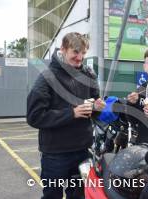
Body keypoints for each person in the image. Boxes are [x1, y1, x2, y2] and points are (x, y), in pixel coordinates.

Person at [26, 32, 106, 199]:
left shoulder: (88, 75)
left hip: (83, 150)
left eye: (83, 53)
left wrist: (97, 107)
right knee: (52, 195)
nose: (79, 58)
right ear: (63, 49)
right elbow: (34, 116)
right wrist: (71, 113)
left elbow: (94, 107)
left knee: (79, 195)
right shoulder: (47, 78)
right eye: (75, 52)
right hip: (55, 154)